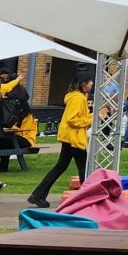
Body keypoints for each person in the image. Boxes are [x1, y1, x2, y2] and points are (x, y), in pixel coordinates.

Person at [30, 76, 94, 208]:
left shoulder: (76, 97)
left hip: (70, 137)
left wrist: (92, 116)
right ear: (83, 84)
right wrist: (92, 119)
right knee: (83, 168)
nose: (92, 83)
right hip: (73, 138)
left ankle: (38, 195)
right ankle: (87, 198)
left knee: (62, 166)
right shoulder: (78, 98)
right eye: (90, 81)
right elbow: (72, 119)